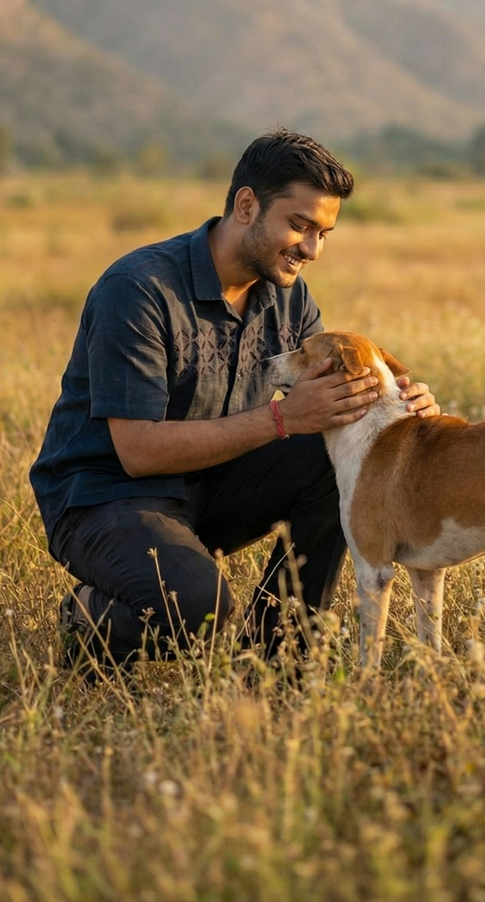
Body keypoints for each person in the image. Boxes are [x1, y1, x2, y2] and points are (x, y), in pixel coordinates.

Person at [30, 128, 439, 668]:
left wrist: (397, 407)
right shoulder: (139, 288)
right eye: (300, 226)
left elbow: (336, 403)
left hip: (211, 486)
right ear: (246, 205)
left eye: (324, 233)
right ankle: (85, 617)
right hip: (106, 498)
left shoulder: (288, 300)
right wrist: (283, 418)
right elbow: (138, 452)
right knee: (200, 609)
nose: (313, 250)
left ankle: (281, 661)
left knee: (338, 455)